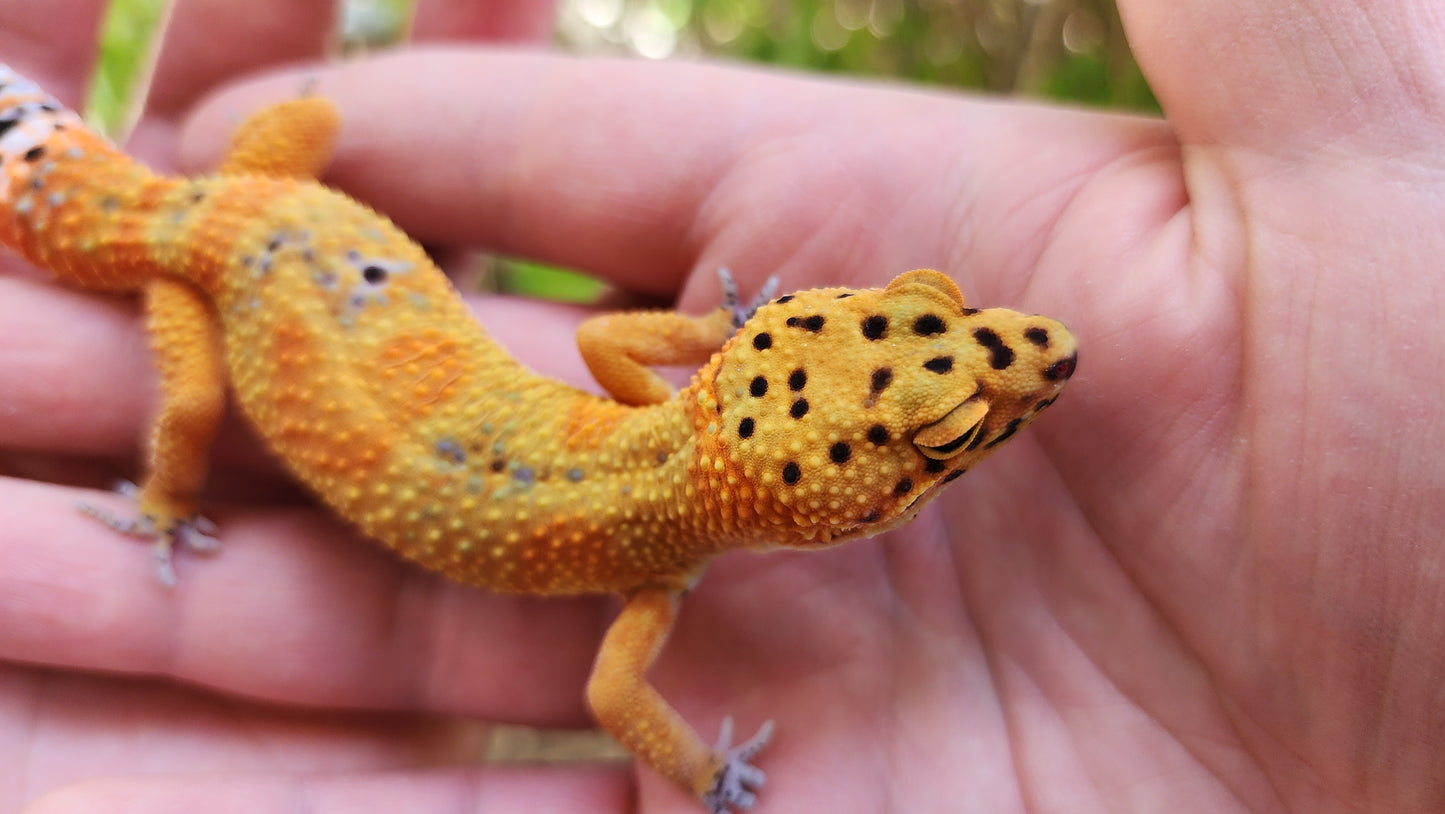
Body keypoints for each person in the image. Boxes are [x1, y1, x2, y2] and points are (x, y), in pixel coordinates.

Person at [2, 0, 1440, 811]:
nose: (1032, 352)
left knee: (291, 128)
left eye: (952, 399)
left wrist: (712, 336)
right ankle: (165, 491)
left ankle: (66, 163)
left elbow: (614, 347)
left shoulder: (649, 454)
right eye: (949, 413)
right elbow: (610, 697)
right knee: (188, 409)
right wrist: (704, 776)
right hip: (206, 265)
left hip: (269, 210)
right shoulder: (651, 565)